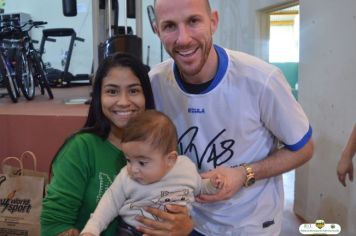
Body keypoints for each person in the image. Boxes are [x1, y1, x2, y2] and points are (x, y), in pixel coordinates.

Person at [149, 0, 314, 235]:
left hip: (250, 225)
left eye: (193, 21)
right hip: (188, 221)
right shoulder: (154, 83)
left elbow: (305, 148)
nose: (183, 39)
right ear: (157, 31)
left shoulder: (261, 80)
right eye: (169, 26)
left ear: (213, 22)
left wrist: (243, 173)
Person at [40, 53, 193, 236]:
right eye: (112, 91)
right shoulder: (82, 148)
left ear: (146, 95)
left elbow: (187, 200)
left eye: (134, 91)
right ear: (99, 97)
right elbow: (53, 225)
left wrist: (186, 226)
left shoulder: (165, 145)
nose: (123, 102)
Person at [80, 110, 225, 236]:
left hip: (174, 231)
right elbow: (109, 203)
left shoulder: (186, 168)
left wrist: (212, 185)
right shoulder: (126, 176)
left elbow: (199, 187)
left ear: (170, 159)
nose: (133, 169)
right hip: (132, 230)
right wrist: (91, 230)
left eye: (142, 162)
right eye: (128, 160)